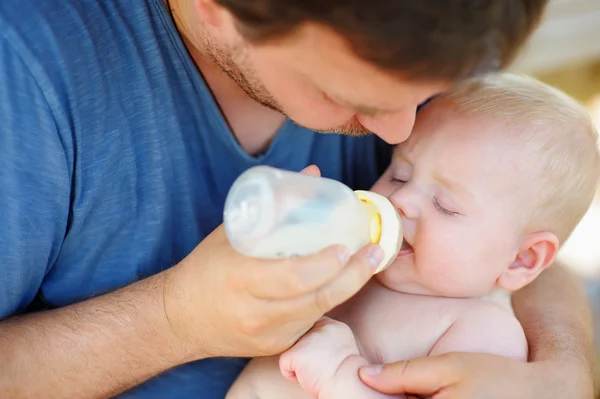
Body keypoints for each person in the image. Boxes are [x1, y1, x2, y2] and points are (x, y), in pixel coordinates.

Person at [0, 0, 594, 398]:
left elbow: (517, 229)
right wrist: (174, 320)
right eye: (347, 93)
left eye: (423, 92)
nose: (397, 134)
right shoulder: (27, 72)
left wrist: (564, 368)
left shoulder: (421, 23)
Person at [224, 72, 600, 399]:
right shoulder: (359, 260)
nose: (401, 199)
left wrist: (339, 375)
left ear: (521, 259)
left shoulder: (483, 333)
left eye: (445, 204)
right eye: (398, 175)